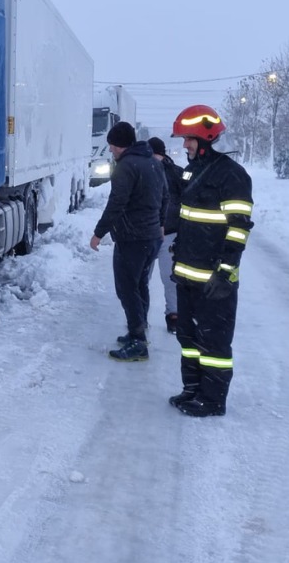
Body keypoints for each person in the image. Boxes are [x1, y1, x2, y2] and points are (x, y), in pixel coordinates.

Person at [168, 105, 253, 417]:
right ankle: (192, 389)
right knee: (188, 338)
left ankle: (213, 400)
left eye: (188, 139)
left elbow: (238, 228)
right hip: (187, 275)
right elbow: (188, 219)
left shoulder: (232, 175)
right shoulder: (192, 171)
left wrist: (226, 271)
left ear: (205, 139)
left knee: (213, 343)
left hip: (214, 280)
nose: (185, 145)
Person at [89, 122, 168, 362]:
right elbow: (166, 196)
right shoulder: (153, 163)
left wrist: (98, 233)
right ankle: (139, 330)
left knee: (126, 288)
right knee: (140, 284)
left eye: (112, 145)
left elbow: (116, 203)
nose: (110, 149)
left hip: (132, 238)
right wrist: (161, 224)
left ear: (120, 144)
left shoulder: (125, 166)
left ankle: (138, 341)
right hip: (151, 237)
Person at [147, 136, 184, 333]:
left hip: (170, 233)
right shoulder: (143, 171)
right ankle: (139, 316)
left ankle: (174, 315)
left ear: (161, 154)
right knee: (142, 277)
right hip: (146, 233)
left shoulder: (177, 173)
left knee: (170, 277)